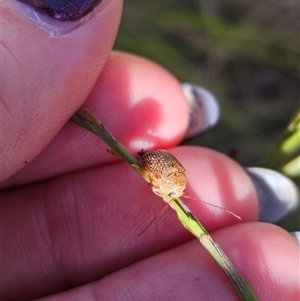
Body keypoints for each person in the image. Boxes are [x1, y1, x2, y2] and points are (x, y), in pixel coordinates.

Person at [1, 1, 299, 300]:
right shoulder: (170, 185)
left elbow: (165, 175)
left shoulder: (176, 185)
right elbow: (160, 176)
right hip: (156, 164)